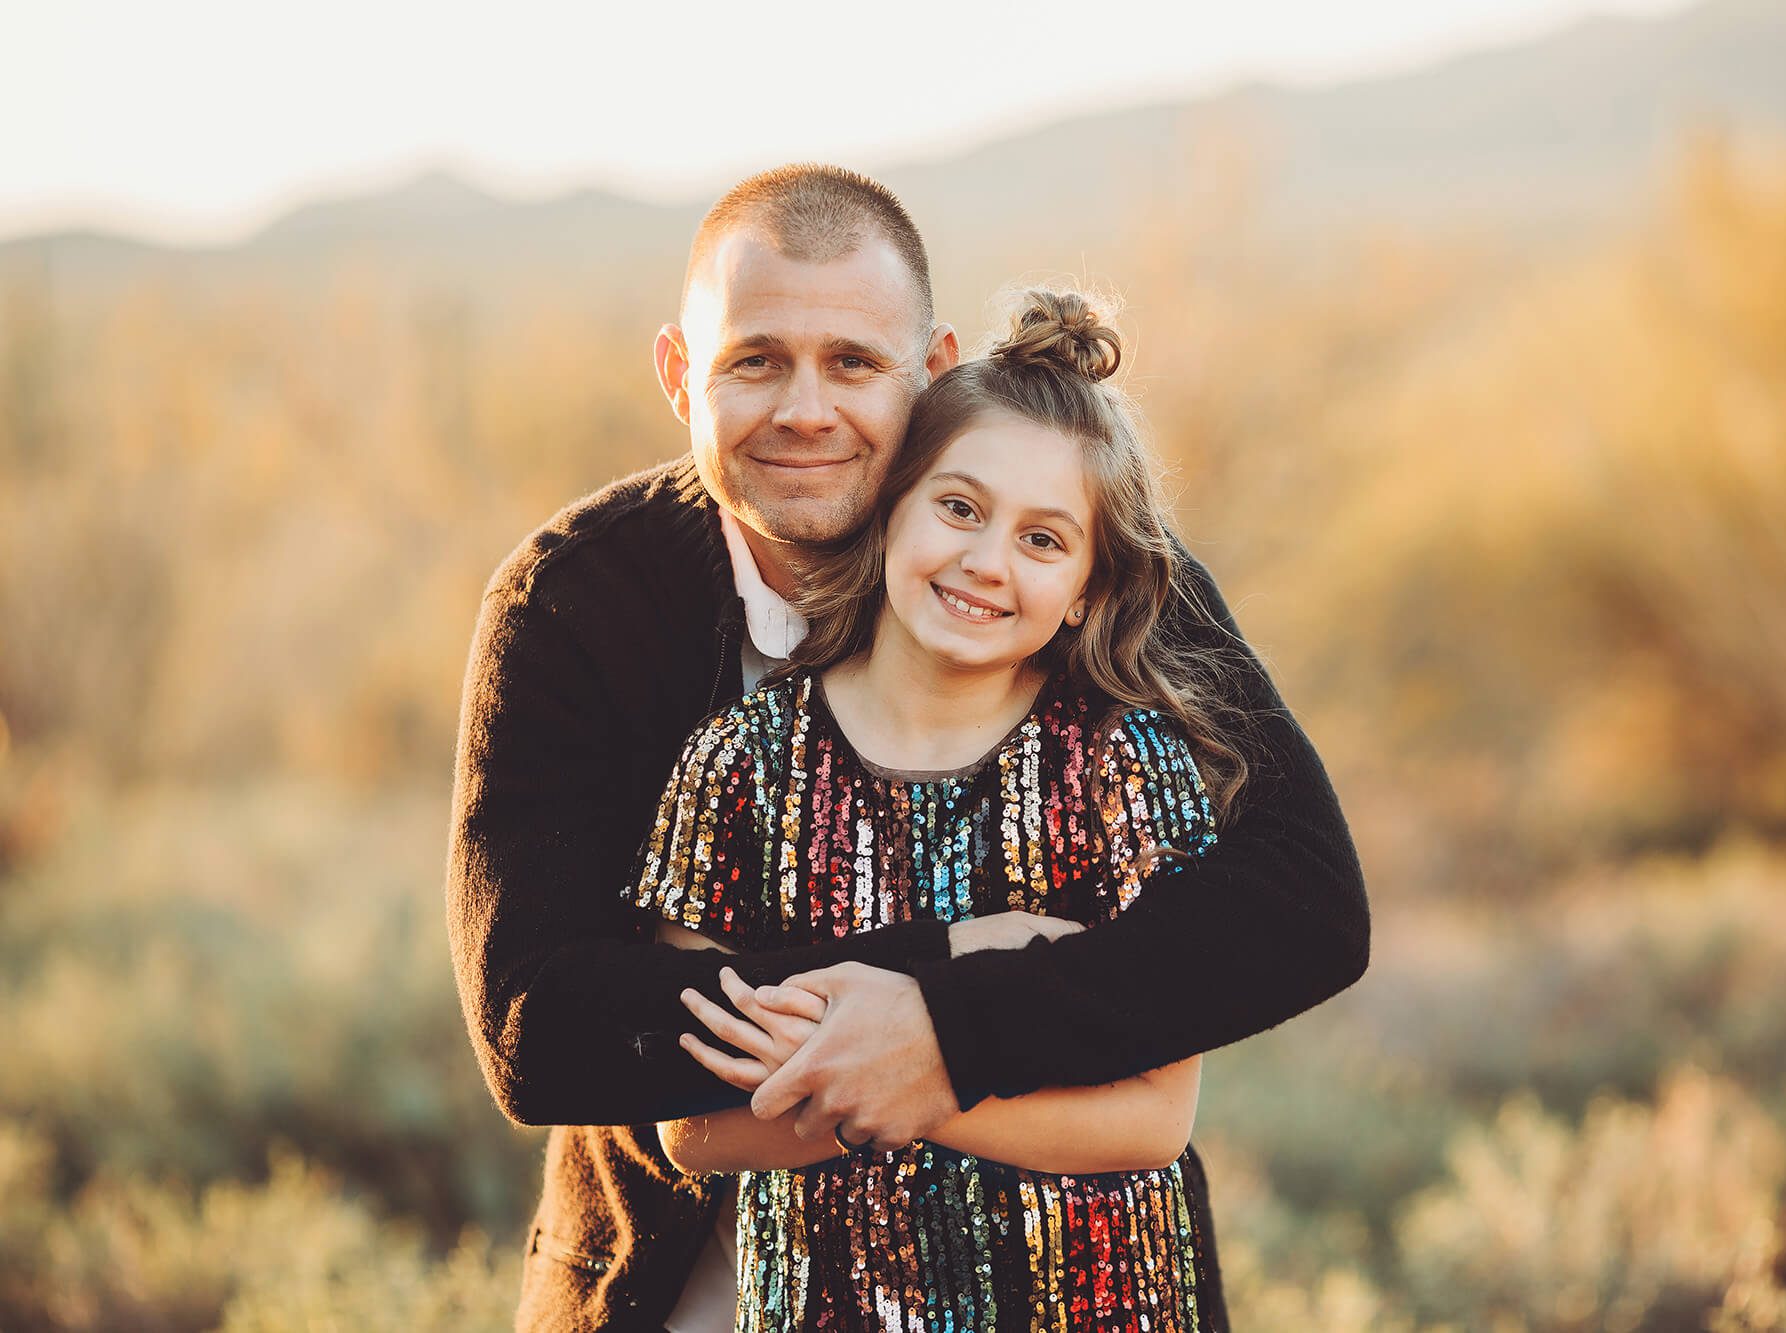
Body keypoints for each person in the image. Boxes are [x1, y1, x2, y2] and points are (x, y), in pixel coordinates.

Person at [444, 163, 1368, 1332]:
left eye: (852, 363)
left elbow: (1305, 905)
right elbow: (538, 1022)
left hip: (1068, 1280)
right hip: (696, 1277)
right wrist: (952, 962)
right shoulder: (573, 601)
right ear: (681, 373)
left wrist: (946, 1038)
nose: (805, 411)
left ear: (927, 373)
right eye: (753, 360)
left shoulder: (1065, 565)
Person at [631, 289, 1234, 1330]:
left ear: (1087, 588)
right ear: (893, 505)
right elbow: (695, 1127)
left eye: (1044, 541)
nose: (986, 561)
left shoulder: (1122, 764)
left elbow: (1152, 1114)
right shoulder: (739, 764)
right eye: (958, 507)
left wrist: (904, 1075)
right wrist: (980, 979)